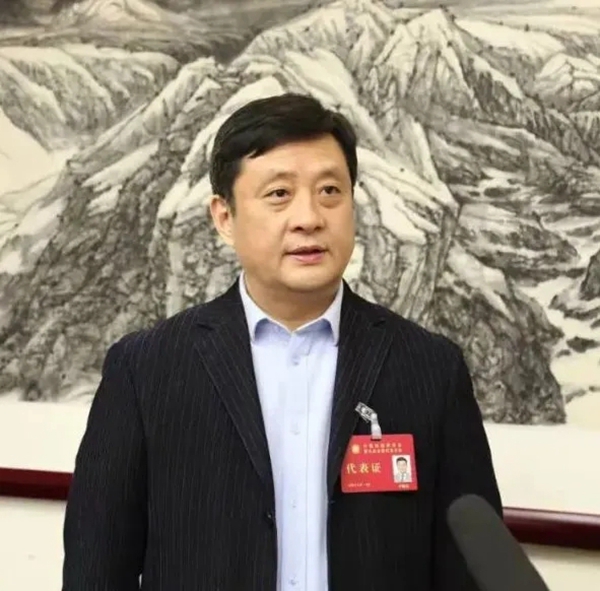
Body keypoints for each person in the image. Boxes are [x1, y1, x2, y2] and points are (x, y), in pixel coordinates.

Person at [62, 93, 502, 591]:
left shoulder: (430, 368)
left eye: (330, 191)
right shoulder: (147, 369)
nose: (309, 217)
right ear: (224, 217)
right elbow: (97, 569)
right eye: (279, 194)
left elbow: (472, 568)